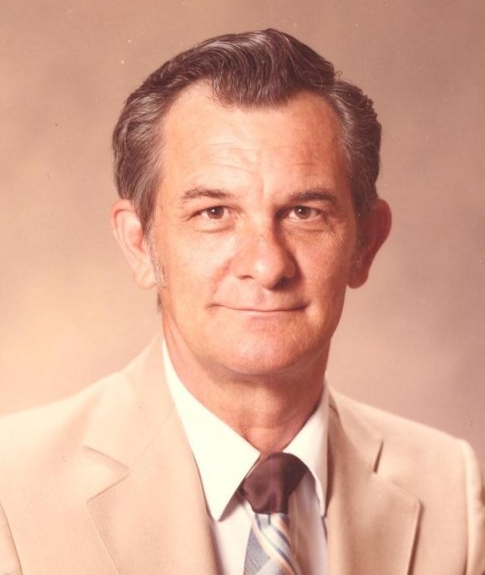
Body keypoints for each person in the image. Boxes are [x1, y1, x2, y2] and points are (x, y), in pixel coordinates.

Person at [0, 29, 483, 575]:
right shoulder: (11, 494)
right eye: (215, 213)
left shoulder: (450, 489)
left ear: (365, 244)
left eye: (304, 212)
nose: (267, 264)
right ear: (140, 244)